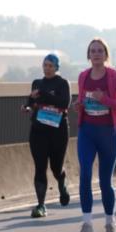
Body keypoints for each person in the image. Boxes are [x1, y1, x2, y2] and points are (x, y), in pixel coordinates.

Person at [74, 37, 116, 232]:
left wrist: (103, 99)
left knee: (105, 180)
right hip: (87, 130)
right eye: (93, 51)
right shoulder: (83, 76)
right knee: (85, 174)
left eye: (100, 50)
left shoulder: (115, 76)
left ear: (106, 54)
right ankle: (87, 224)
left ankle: (110, 223)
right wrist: (79, 105)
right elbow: (82, 99)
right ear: (88, 55)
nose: (96, 54)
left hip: (108, 131)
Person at [24, 53, 71, 217]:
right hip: (39, 130)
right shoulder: (37, 83)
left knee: (56, 167)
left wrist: (46, 96)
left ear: (56, 67)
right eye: (45, 65)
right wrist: (27, 107)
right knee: (40, 167)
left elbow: (65, 103)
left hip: (58, 130)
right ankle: (41, 205)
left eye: (51, 65)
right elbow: (31, 102)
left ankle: (62, 182)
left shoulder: (63, 83)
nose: (47, 68)